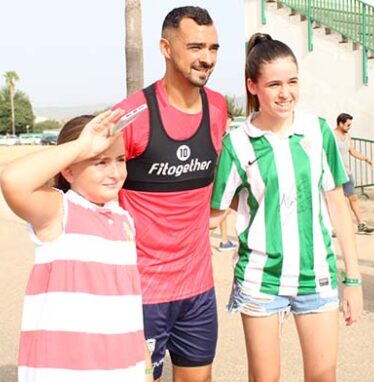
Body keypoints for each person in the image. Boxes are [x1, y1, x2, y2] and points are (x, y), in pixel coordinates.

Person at [210, 33, 364, 382]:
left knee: (323, 376)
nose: (286, 93)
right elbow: (214, 213)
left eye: (292, 82)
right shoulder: (236, 143)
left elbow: (338, 207)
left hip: (318, 278)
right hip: (260, 280)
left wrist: (352, 280)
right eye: (274, 84)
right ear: (253, 86)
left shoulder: (318, 131)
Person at [114, 6, 228, 382]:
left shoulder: (218, 107)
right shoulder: (132, 114)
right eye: (196, 46)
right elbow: (89, 186)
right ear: (166, 47)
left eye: (213, 48)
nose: (206, 58)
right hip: (141, 293)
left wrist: (219, 212)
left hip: (197, 290)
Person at [0, 112, 153, 382]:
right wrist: (82, 147)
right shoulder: (59, 211)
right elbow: (13, 180)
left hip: (121, 370)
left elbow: (128, 302)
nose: (115, 173)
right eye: (100, 162)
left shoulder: (124, 220)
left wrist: (146, 365)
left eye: (120, 160)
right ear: (68, 170)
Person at [334, 113, 374, 235]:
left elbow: (352, 151)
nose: (349, 127)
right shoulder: (331, 135)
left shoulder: (347, 136)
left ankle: (361, 224)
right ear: (340, 123)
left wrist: (365, 158)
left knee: (353, 198)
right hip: (335, 173)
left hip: (347, 173)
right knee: (337, 201)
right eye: (347, 125)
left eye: (350, 125)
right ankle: (336, 227)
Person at [217, 112, 237, 252]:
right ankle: (200, 244)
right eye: (228, 120)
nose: (229, 123)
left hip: (218, 176)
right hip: (218, 177)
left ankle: (224, 240)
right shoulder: (221, 137)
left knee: (222, 210)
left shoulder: (221, 135)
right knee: (223, 210)